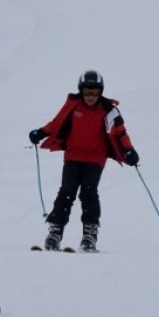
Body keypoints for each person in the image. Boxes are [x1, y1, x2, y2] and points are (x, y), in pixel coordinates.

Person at [29, 70, 138, 252]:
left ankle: (89, 235)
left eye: (95, 92)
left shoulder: (108, 109)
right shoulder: (73, 105)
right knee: (66, 192)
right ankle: (55, 232)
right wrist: (40, 132)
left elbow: (120, 132)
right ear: (81, 91)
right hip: (73, 155)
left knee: (89, 192)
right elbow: (57, 123)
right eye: (87, 92)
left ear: (100, 92)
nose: (90, 96)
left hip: (96, 158)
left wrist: (129, 150)